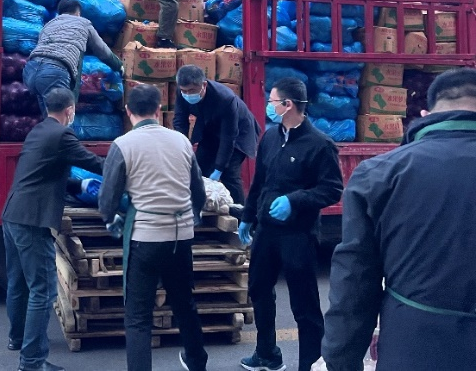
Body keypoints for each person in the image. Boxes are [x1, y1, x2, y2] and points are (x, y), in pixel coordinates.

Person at [322, 68, 476, 371]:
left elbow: (354, 283)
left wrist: (342, 360)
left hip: (415, 349)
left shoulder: (379, 175)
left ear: (425, 114)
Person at [99, 84, 208, 371]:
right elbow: (198, 190)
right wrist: (194, 215)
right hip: (180, 236)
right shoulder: (181, 141)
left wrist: (111, 219)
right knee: (184, 304)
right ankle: (197, 361)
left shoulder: (123, 145)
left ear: (128, 111)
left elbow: (108, 198)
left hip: (145, 239)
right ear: (159, 110)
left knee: (138, 317)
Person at [238, 77, 343, 371]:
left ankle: (311, 363)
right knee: (259, 289)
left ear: (288, 105)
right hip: (267, 231)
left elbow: (332, 189)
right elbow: (259, 182)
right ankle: (266, 354)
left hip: (298, 234)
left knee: (303, 304)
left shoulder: (320, 145)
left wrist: (295, 201)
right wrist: (248, 216)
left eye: (272, 101)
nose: (269, 106)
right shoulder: (270, 138)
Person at [2, 88, 105, 371]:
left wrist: (79, 185)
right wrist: (128, 166)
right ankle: (32, 362)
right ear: (69, 110)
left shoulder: (38, 131)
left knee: (19, 283)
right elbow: (93, 163)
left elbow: (45, 173)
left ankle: (17, 338)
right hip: (32, 221)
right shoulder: (62, 135)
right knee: (43, 290)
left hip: (12, 216)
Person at [173, 64, 261, 206]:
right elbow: (180, 120)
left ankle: (239, 213)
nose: (188, 94)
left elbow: (229, 137)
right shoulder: (181, 92)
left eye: (192, 90)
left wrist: (219, 168)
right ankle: (200, 209)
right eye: (184, 91)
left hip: (239, 132)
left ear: (204, 85)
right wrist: (182, 146)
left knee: (229, 173)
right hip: (210, 128)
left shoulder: (225, 99)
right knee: (198, 169)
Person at [25, 0, 122, 115]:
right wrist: (118, 65)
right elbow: (102, 50)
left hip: (30, 71)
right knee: (62, 117)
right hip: (54, 72)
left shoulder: (49, 24)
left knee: (49, 118)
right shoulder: (83, 23)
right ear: (78, 13)